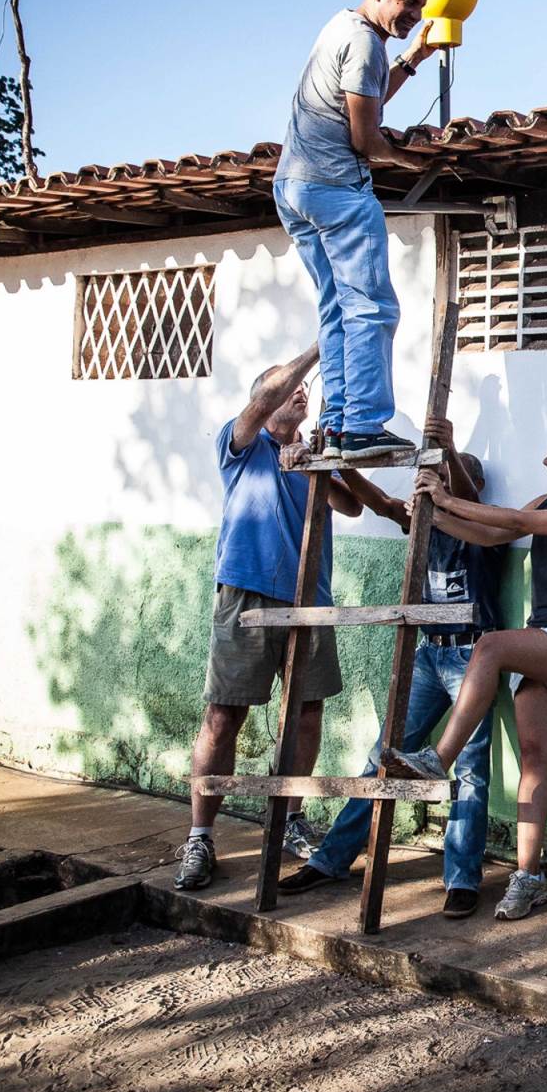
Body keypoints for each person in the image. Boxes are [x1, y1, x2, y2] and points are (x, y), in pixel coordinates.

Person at [380, 425, 547, 923]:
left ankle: (437, 759)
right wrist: (436, 511)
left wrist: (447, 494)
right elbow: (492, 533)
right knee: (535, 756)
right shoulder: (543, 501)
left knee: (489, 646)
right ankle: (528, 876)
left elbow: (510, 517)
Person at [277, 420, 503, 918]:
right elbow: (380, 502)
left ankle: (461, 879)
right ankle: (333, 859)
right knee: (384, 755)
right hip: (428, 652)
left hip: (473, 655)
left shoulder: (488, 525)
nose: (441, 482)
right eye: (439, 475)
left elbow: (469, 498)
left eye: (452, 476)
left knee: (468, 770)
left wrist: (448, 456)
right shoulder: (422, 521)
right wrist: (344, 465)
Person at [177, 346, 364, 890]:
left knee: (306, 716)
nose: (299, 393)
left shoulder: (310, 456)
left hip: (309, 600)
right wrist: (321, 349)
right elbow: (262, 399)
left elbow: (350, 506)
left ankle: (289, 818)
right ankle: (200, 837)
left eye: (303, 391)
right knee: (222, 717)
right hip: (247, 596)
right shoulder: (241, 445)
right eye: (289, 389)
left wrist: (319, 462)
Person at [274, 0, 438, 461]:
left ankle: (339, 423)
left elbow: (365, 97)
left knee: (336, 308)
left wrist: (412, 58)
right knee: (372, 306)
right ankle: (364, 424)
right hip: (337, 189)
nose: (412, 12)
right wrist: (407, 159)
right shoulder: (366, 41)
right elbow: (365, 138)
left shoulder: (341, 28)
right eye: (406, 0)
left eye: (419, 6)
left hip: (293, 188)